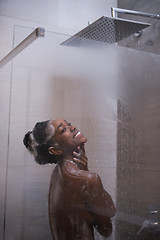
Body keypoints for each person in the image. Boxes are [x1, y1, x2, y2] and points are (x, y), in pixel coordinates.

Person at [23, 119, 116, 240]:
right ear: (56, 150)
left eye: (69, 124)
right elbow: (106, 229)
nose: (72, 127)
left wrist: (85, 171)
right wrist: (88, 175)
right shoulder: (88, 179)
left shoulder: (57, 174)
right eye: (63, 130)